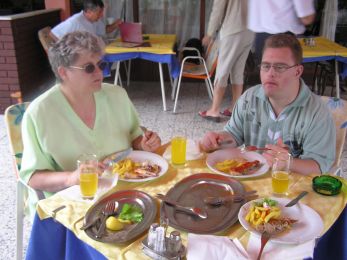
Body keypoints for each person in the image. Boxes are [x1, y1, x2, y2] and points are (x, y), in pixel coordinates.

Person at [20, 31, 161, 217]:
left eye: (100, 64)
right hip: (73, 203)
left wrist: (144, 143)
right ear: (63, 72)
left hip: (126, 192)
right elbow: (33, 177)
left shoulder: (117, 95)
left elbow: (135, 137)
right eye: (88, 68)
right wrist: (71, 178)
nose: (99, 72)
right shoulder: (39, 113)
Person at [200, 33, 336, 175]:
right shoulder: (249, 98)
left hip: (290, 190)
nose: (270, 73)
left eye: (280, 67)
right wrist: (218, 139)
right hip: (250, 182)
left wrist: (289, 163)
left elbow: (319, 167)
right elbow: (234, 134)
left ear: (297, 71)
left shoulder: (317, 112)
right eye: (266, 66)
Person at [199, 0, 254, 122]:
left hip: (232, 30)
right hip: (250, 31)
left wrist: (209, 34)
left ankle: (214, 110)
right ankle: (235, 108)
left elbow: (217, 10)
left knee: (222, 70)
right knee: (238, 71)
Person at [248, 0, 315, 63]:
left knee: (267, 72)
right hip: (283, 38)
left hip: (259, 36)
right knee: (284, 71)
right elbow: (306, 17)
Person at [50, 0, 122, 41]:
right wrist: (65, 53)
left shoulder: (95, 20)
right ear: (88, 12)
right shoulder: (74, 21)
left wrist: (116, 24)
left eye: (102, 12)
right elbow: (53, 34)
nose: (101, 15)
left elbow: (104, 30)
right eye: (99, 13)